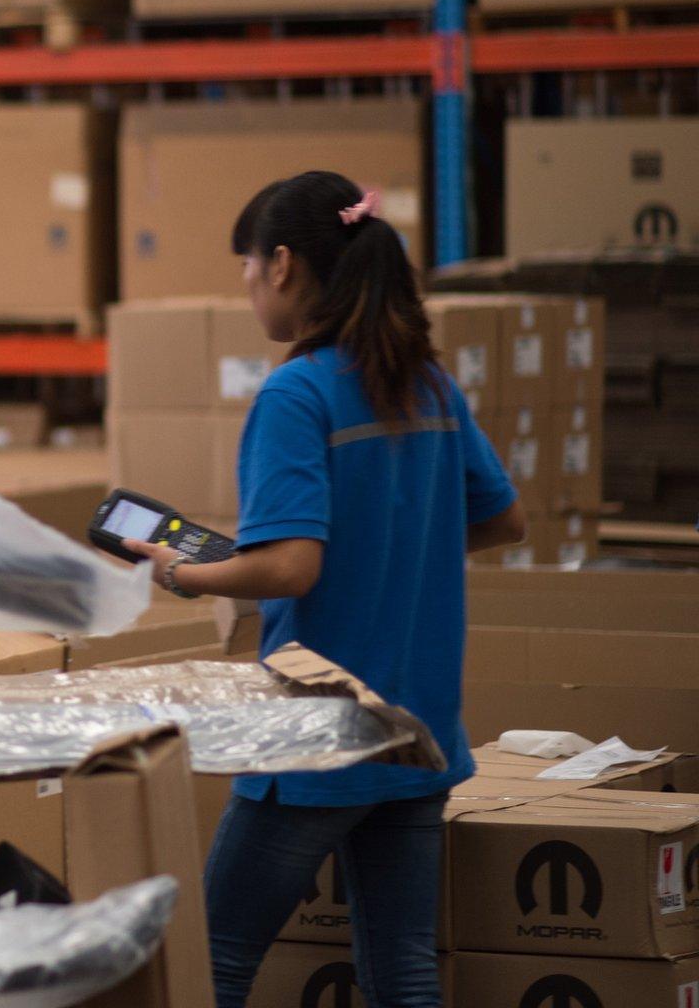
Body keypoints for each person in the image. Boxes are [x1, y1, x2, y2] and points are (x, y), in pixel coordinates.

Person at [113, 172, 525, 1008]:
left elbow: (291, 566)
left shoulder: (297, 392)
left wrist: (184, 571)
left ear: (285, 266)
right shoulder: (431, 387)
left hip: (317, 733)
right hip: (418, 732)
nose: (246, 286)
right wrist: (396, 547)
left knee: (212, 962)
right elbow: (502, 519)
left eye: (246, 267)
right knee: (404, 970)